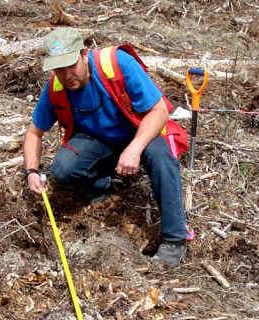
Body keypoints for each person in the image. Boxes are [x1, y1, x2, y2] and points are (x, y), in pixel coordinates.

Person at [23, 27, 189, 266]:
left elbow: (159, 111)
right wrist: (31, 171)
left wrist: (134, 149)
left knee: (162, 159)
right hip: (100, 142)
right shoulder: (56, 87)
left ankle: (174, 239)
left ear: (84, 53)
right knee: (63, 167)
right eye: (59, 69)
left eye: (71, 65)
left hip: (140, 130)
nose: (67, 75)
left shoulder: (117, 64)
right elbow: (33, 132)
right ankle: (101, 189)